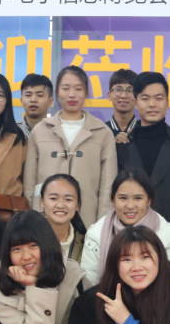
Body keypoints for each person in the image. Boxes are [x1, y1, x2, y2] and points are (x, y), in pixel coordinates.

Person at [23, 66, 118, 227]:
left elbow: (108, 185)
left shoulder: (102, 132)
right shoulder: (40, 131)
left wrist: (101, 224)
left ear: (86, 92)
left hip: (88, 219)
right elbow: (29, 184)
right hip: (44, 220)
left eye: (78, 89)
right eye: (65, 88)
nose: (72, 94)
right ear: (57, 93)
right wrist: (33, 217)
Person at [118, 72, 170, 238]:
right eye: (145, 98)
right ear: (136, 103)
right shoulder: (122, 145)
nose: (152, 104)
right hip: (129, 236)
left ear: (167, 103)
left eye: (159, 98)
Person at [81, 169, 170, 286]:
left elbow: (169, 282)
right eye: (123, 198)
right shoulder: (96, 234)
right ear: (113, 200)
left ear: (149, 200)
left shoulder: (166, 233)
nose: (130, 206)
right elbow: (89, 283)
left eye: (138, 198)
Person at [40, 173, 87, 263]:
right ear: (42, 202)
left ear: (78, 205)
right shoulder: (29, 237)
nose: (60, 205)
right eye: (53, 198)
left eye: (68, 199)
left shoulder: (86, 243)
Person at [106, 68, 138, 142]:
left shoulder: (144, 131)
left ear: (137, 96)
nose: (123, 95)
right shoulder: (101, 130)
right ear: (109, 95)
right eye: (118, 90)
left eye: (130, 90)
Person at [18, 73, 53, 137]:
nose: (33, 100)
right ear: (21, 100)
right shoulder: (11, 132)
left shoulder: (57, 132)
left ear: (50, 101)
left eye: (40, 95)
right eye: (28, 95)